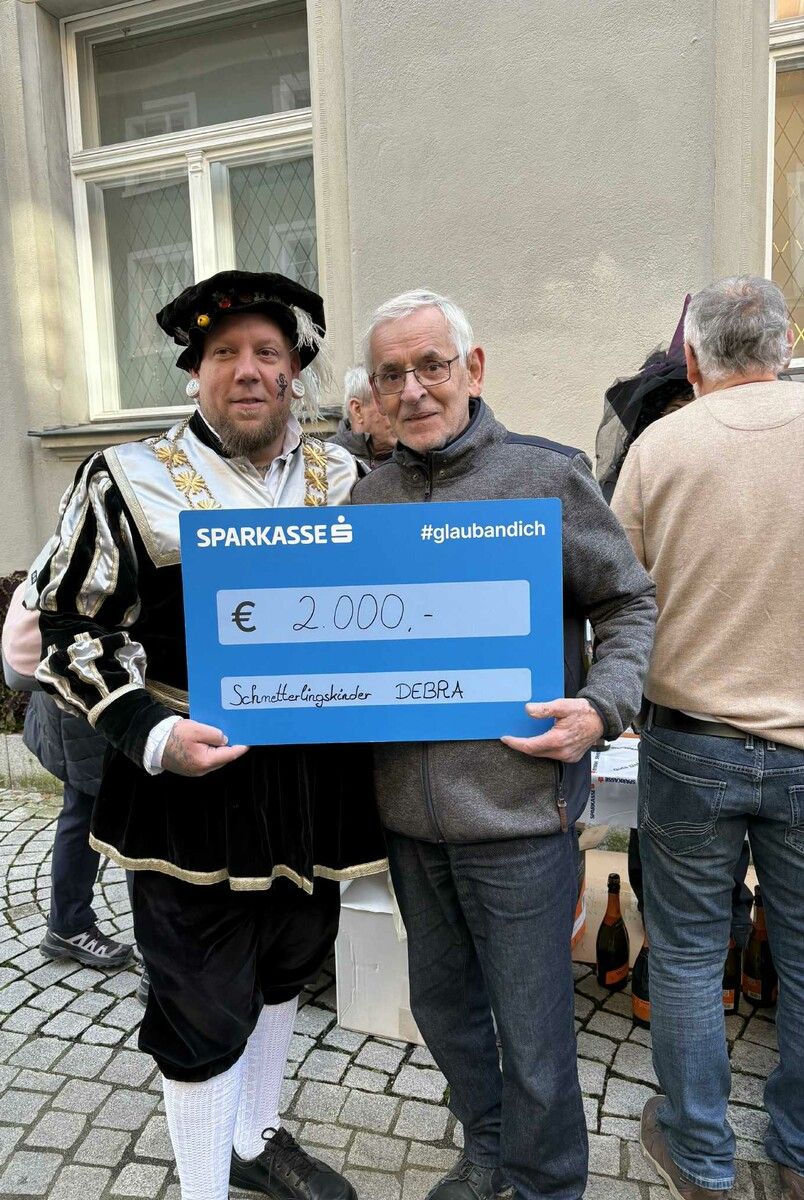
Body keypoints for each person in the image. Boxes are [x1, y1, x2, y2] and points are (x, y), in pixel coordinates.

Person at [24, 270, 388, 1200]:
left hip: (312, 778)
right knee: (198, 998)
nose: (247, 370)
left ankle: (256, 1138)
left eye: (267, 352)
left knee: (287, 963)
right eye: (224, 353)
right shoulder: (126, 478)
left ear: (297, 372)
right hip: (190, 777)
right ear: (195, 374)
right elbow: (71, 630)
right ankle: (202, 1188)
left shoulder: (347, 479)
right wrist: (153, 734)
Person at [351, 289, 657, 1200]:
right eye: (392, 374)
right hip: (409, 824)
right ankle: (489, 1154)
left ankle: (548, 1185)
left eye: (432, 366)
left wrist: (602, 705)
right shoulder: (364, 503)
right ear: (372, 391)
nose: (413, 390)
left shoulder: (548, 476)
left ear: (473, 370)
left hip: (522, 819)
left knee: (534, 1034)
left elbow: (627, 601)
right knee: (445, 1013)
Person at [612, 275, 804, 1200]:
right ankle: (799, 1146)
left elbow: (621, 591)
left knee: (688, 953)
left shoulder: (659, 446)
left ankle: (697, 1149)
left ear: (691, 357)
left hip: (689, 740)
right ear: (787, 341)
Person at [595, 305, 754, 950]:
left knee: (686, 925)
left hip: (695, 705)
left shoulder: (674, 445)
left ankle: (717, 960)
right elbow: (621, 584)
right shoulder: (657, 447)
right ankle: (717, 963)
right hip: (691, 699)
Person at [1, 584, 134, 971]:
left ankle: (67, 925)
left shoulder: (74, 540)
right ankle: (159, 963)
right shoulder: (105, 542)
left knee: (82, 815)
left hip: (71, 697)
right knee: (131, 826)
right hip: (89, 702)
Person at [329, 364, 396, 466]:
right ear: (358, 410)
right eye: (387, 403)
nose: (400, 413)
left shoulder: (417, 458)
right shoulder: (324, 459)